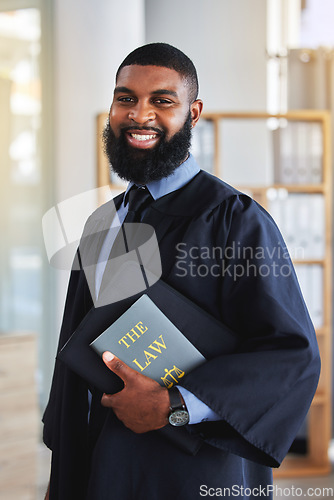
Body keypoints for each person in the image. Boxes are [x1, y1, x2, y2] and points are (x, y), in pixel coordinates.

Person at [43, 43, 320, 500]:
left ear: (193, 113)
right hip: (98, 462)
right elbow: (75, 348)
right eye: (126, 98)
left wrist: (174, 406)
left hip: (190, 469)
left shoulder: (235, 218)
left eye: (162, 101)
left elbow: (290, 355)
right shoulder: (103, 222)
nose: (140, 113)